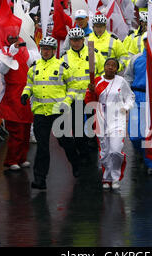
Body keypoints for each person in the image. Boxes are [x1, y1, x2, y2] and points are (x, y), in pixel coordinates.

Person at [21, 36, 80, 190]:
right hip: (41, 113)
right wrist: (25, 94)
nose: (45, 52)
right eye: (43, 49)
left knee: (65, 141)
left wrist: (66, 103)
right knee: (42, 147)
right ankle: (40, 179)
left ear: (54, 50)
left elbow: (73, 88)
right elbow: (30, 84)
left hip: (59, 112)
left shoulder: (63, 66)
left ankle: (76, 164)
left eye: (48, 49)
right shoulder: (34, 67)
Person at [85, 58, 135, 189]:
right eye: (108, 65)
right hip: (101, 119)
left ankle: (115, 177)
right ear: (104, 66)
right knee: (105, 152)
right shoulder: (96, 81)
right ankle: (107, 177)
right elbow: (89, 102)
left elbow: (130, 96)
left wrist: (126, 106)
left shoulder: (121, 81)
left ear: (117, 69)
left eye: (113, 66)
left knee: (116, 150)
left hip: (118, 118)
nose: (110, 67)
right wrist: (91, 91)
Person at [0, 29, 40, 171]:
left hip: (26, 92)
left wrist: (32, 47)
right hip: (12, 93)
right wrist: (11, 54)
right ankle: (11, 160)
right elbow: (2, 70)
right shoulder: (2, 52)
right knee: (16, 129)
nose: (14, 40)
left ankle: (22, 158)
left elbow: (35, 62)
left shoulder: (26, 50)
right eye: (11, 37)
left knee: (26, 127)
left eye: (16, 37)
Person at [61, 27, 105, 161]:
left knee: (94, 125)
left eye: (79, 40)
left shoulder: (93, 53)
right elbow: (61, 79)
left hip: (91, 95)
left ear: (83, 40)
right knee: (77, 127)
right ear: (70, 41)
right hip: (75, 98)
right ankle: (83, 152)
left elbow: (102, 73)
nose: (76, 43)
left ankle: (94, 147)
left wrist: (97, 86)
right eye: (73, 40)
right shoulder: (65, 57)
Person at [124, 33, 152, 175]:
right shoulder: (136, 59)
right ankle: (141, 152)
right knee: (134, 135)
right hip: (136, 96)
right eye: (145, 41)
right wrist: (127, 95)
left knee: (148, 133)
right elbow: (127, 77)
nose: (148, 43)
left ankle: (151, 162)